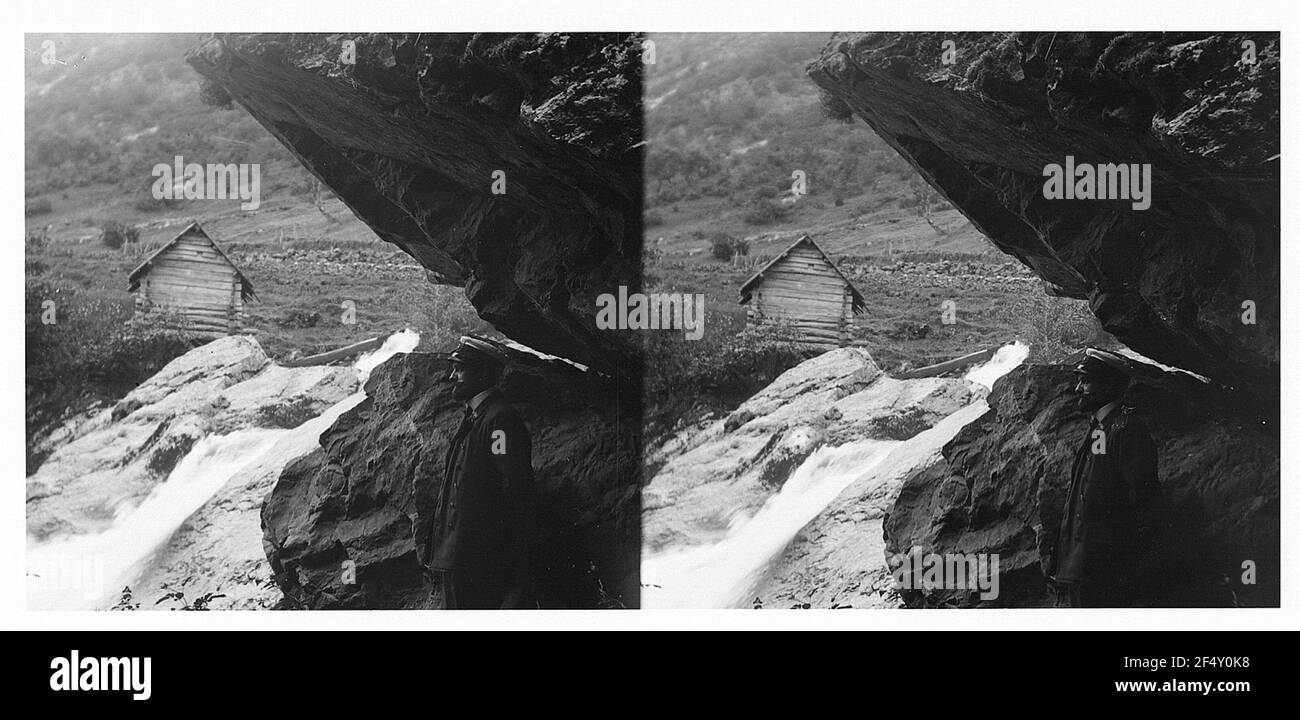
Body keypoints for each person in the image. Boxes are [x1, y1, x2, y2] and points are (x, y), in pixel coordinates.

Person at [425, 336, 539, 609]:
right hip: (460, 559)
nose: (452, 376)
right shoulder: (478, 416)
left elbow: (516, 490)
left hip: (480, 562)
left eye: (460, 369)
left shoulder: (499, 420)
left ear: (484, 373)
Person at [1049, 347, 1161, 608]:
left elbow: (1146, 503)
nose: (1078, 388)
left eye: (1085, 380)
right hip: (1083, 571)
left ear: (1109, 384)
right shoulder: (1103, 427)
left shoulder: (1127, 430)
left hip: (1105, 575)